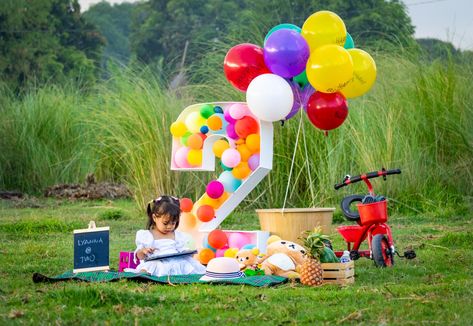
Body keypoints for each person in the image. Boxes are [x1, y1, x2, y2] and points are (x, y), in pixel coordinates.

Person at [129, 195, 205, 276]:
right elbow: (139, 256)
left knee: (185, 265)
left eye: (173, 223)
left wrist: (187, 252)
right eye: (165, 223)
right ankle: (143, 276)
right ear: (154, 217)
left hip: (175, 261)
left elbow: (185, 252)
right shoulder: (147, 235)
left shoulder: (178, 236)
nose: (169, 226)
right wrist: (144, 251)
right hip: (157, 261)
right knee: (151, 266)